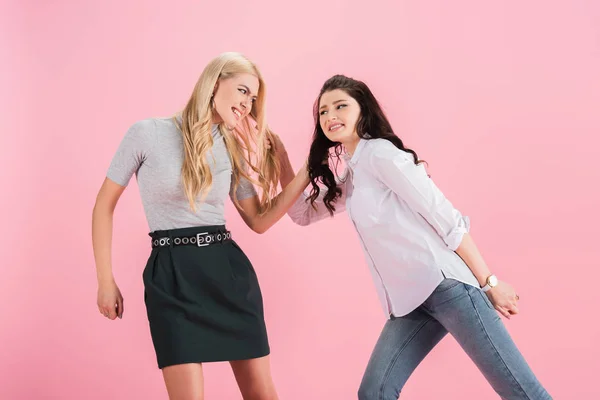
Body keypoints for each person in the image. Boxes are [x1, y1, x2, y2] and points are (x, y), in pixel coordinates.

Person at [286, 74, 552, 399]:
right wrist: (290, 165)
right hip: (411, 303)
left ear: (362, 110)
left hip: (447, 288)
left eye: (340, 106)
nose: (330, 116)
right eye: (323, 111)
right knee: (375, 392)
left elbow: (444, 217)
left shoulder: (382, 155)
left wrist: (490, 283)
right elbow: (301, 214)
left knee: (522, 392)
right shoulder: (354, 171)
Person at [92, 52, 308, 400]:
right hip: (171, 278)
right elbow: (104, 205)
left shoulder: (232, 148)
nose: (247, 104)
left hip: (228, 274)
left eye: (253, 99)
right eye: (242, 91)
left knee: (261, 393)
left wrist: (302, 172)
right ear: (215, 82)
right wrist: (106, 280)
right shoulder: (147, 134)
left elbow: (259, 219)